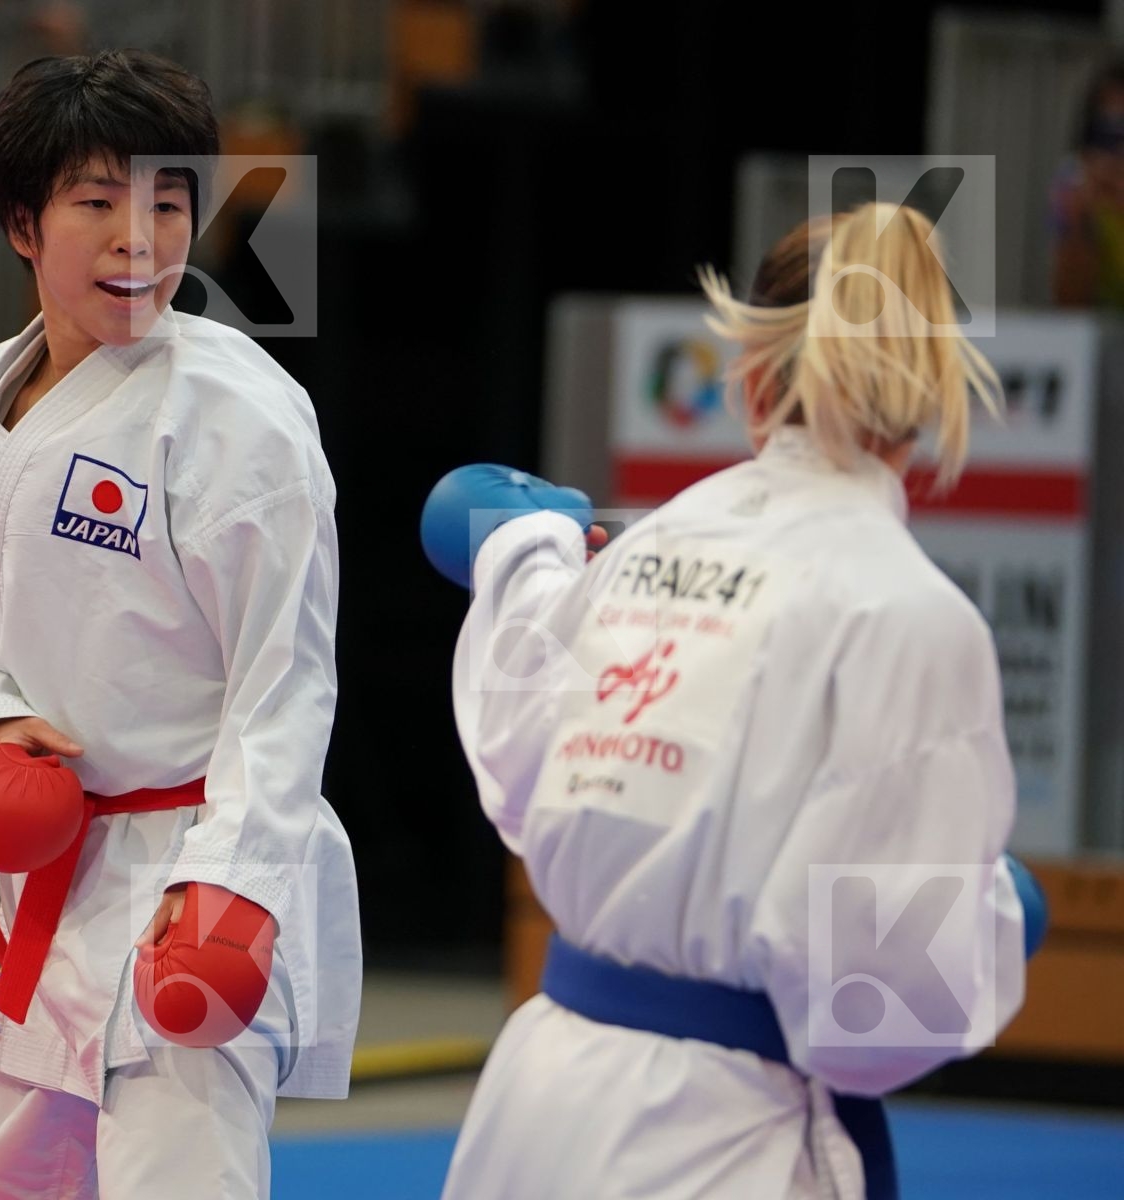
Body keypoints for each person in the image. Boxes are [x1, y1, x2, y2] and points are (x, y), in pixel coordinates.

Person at [421, 203, 1046, 1198]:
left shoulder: (645, 548)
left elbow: (518, 757)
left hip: (538, 1101)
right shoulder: (914, 616)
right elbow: (873, 1016)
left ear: (752, 377)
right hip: (722, 1139)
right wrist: (994, 917)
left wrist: (518, 544)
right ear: (929, 400)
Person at [0, 49, 361, 1198]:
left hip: (189, 869)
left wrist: (239, 879)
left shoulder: (242, 421)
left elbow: (287, 679)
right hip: (51, 876)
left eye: (170, 203)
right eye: (98, 203)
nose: (142, 241)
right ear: (24, 223)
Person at [1052, 57, 1124, 308]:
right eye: (1106, 135)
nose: (1116, 153)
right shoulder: (1076, 179)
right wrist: (1080, 224)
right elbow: (1070, 303)